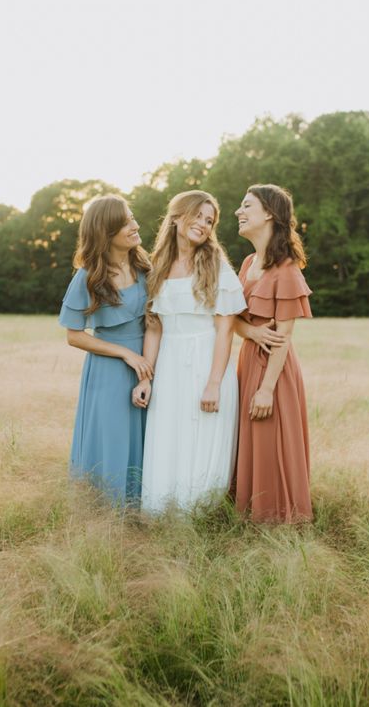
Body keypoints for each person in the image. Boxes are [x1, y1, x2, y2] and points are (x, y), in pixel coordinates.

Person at [132, 190, 246, 511]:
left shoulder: (216, 264)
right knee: (169, 434)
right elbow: (154, 328)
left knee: (203, 435)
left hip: (207, 359)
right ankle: (163, 510)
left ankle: (200, 513)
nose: (204, 224)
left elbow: (225, 330)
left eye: (209, 221)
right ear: (178, 216)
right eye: (198, 216)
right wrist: (146, 378)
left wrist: (213, 382)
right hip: (168, 362)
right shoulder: (157, 265)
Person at [58, 194, 152, 505]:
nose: (135, 225)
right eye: (126, 222)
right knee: (111, 436)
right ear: (106, 231)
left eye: (132, 217)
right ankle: (106, 512)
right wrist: (125, 353)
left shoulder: (145, 267)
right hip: (108, 370)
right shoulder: (88, 276)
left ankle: (142, 507)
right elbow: (74, 335)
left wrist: (144, 359)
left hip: (148, 362)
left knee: (146, 435)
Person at [233, 184, 313, 523]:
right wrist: (250, 331)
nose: (239, 211)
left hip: (274, 372)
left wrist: (267, 388)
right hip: (247, 360)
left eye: (246, 205)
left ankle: (280, 516)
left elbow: (283, 338)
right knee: (249, 437)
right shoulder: (249, 262)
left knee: (273, 437)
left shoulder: (287, 269)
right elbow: (234, 320)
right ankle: (250, 508)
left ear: (268, 213)